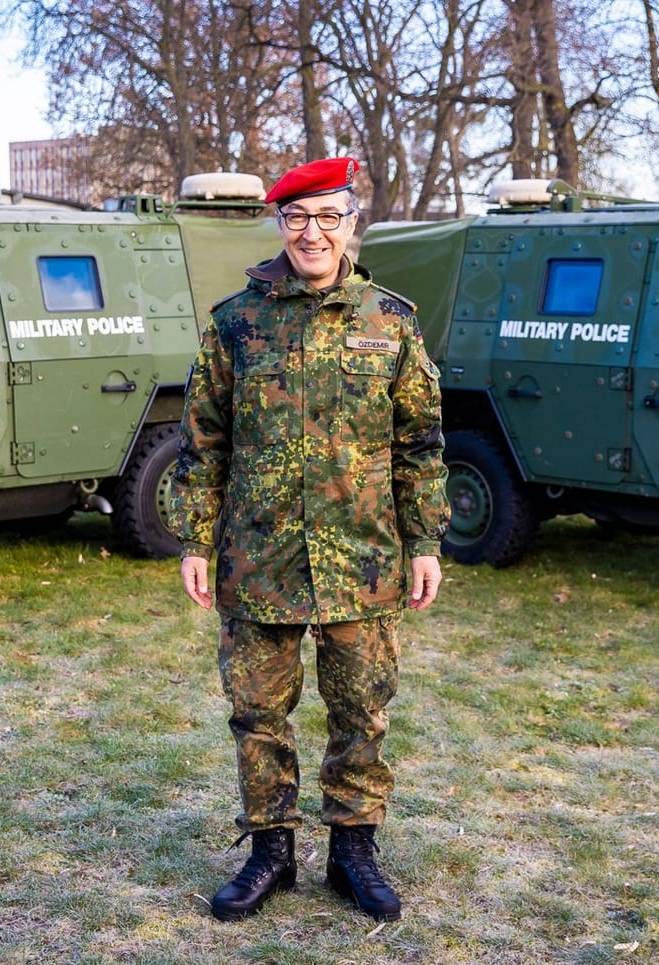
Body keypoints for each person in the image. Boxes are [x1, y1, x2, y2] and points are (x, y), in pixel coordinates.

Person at [168, 156, 449, 922]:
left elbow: (420, 442)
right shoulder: (238, 322)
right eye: (298, 217)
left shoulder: (390, 319)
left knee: (362, 710)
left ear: (352, 225)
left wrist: (424, 541)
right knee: (258, 713)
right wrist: (195, 540)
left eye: (329, 217)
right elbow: (204, 442)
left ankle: (353, 850)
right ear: (279, 225)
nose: (313, 233)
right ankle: (271, 853)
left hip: (363, 556)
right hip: (259, 556)